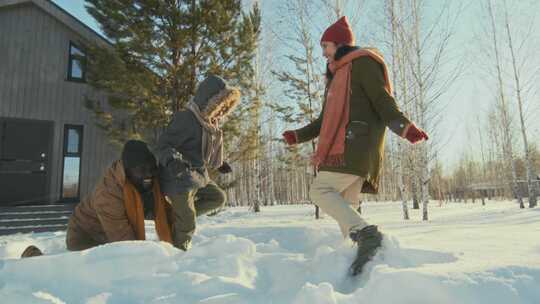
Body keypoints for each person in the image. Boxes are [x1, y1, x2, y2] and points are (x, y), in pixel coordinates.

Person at [282, 16, 428, 276]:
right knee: (346, 211)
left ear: (340, 44)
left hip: (355, 145)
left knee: (320, 189)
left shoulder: (362, 64)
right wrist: (297, 135)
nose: (323, 52)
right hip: (345, 146)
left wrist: (405, 127)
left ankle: (367, 235)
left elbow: (383, 100)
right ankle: (363, 267)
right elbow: (324, 120)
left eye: (326, 45)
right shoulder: (336, 77)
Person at [21, 140, 175, 258]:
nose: (149, 174)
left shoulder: (145, 184)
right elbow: (126, 245)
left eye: (152, 169)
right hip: (85, 236)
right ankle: (35, 260)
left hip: (108, 236)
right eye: (142, 170)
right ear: (128, 171)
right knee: (86, 277)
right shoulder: (108, 195)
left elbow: (170, 213)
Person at [157, 75, 240, 251]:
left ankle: (177, 216)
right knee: (188, 223)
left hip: (197, 174)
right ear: (207, 101)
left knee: (218, 198)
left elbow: (201, 149)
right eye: (219, 105)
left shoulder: (209, 124)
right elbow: (163, 144)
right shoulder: (186, 118)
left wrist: (220, 162)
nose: (221, 111)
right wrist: (172, 160)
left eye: (224, 107)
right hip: (178, 178)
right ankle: (176, 255)